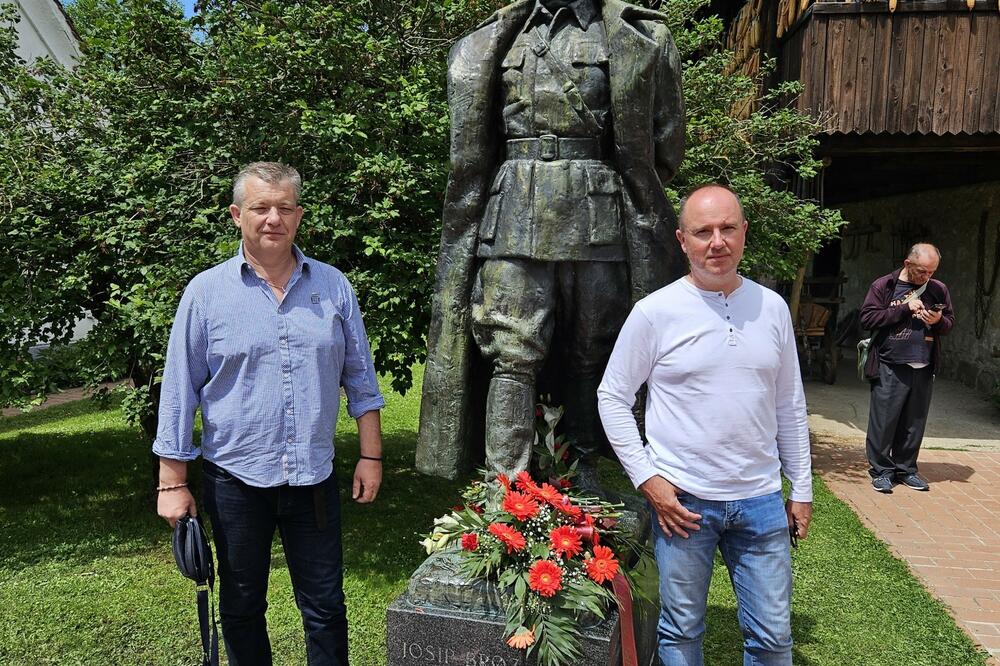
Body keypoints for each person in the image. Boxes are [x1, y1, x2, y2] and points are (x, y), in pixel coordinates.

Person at [417, 0, 686, 481]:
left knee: (593, 346)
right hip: (513, 214)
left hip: (597, 218)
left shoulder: (640, 35)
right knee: (511, 349)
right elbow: (472, 144)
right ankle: (505, 488)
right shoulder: (496, 36)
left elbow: (666, 145)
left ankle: (586, 475)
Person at [154, 161, 385, 666]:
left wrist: (371, 457)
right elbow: (179, 390)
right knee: (240, 608)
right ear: (237, 215)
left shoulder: (334, 287)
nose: (273, 218)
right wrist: (172, 482)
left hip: (313, 479)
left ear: (299, 216)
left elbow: (361, 380)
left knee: (326, 607)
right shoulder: (205, 294)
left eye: (284, 207)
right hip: (235, 481)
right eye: (260, 207)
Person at [597, 184, 812, 666]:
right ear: (682, 240)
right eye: (703, 232)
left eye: (727, 228)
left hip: (760, 500)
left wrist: (801, 487)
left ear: (744, 233)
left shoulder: (773, 308)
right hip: (683, 503)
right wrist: (648, 479)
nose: (717, 242)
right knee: (680, 632)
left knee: (774, 639)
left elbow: (789, 403)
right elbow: (612, 396)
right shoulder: (655, 313)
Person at [860, 243, 954, 493]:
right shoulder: (884, 286)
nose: (926, 277)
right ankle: (881, 471)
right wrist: (904, 309)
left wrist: (938, 320)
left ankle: (906, 469)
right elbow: (867, 318)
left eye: (931, 272)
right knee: (884, 421)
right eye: (922, 271)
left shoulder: (938, 289)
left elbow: (949, 323)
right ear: (907, 264)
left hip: (923, 364)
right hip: (890, 363)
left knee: (914, 423)